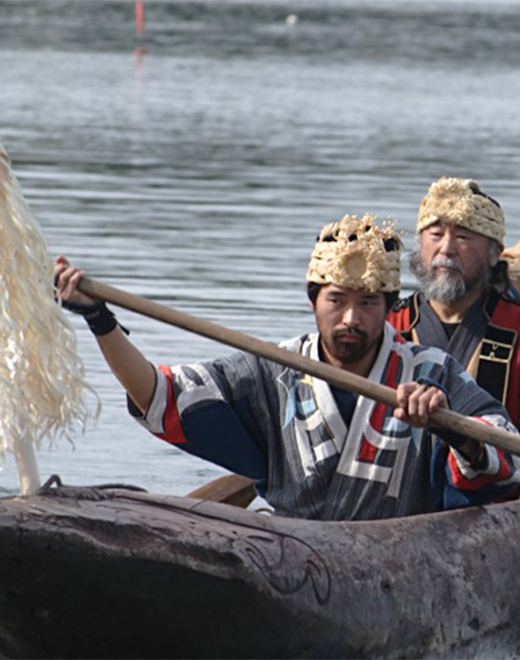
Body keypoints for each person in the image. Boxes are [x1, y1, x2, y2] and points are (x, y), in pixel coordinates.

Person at [54, 213, 520, 521]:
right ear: (313, 302)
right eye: (336, 301)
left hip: (401, 563)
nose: (352, 319)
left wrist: (455, 431)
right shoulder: (273, 368)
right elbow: (159, 396)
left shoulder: (431, 373)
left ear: (390, 306)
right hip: (292, 561)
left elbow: (505, 457)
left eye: (368, 303)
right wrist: (100, 320)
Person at [388, 176, 520, 429]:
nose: (446, 249)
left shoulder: (515, 325)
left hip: (493, 466)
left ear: (495, 253)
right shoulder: (389, 324)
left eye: (463, 237)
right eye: (436, 234)